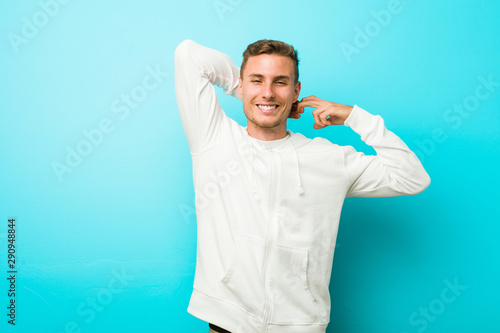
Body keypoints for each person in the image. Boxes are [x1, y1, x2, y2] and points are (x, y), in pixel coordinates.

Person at [174, 39, 430, 333]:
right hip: (227, 323)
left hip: (301, 326)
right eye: (257, 80)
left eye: (280, 83)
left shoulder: (330, 159)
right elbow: (188, 55)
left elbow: (412, 177)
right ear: (242, 84)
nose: (268, 92)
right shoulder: (214, 140)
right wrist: (248, 91)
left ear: (296, 91)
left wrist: (354, 117)